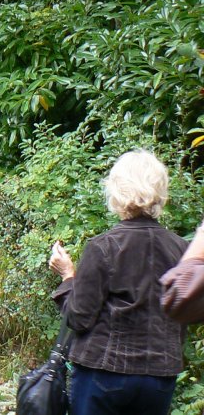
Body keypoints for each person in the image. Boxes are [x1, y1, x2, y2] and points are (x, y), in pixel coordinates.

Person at [48, 150, 187, 415]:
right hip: (159, 376)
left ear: (117, 191)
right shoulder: (182, 249)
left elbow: (78, 318)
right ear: (160, 192)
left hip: (103, 372)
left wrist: (68, 277)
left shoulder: (103, 247)